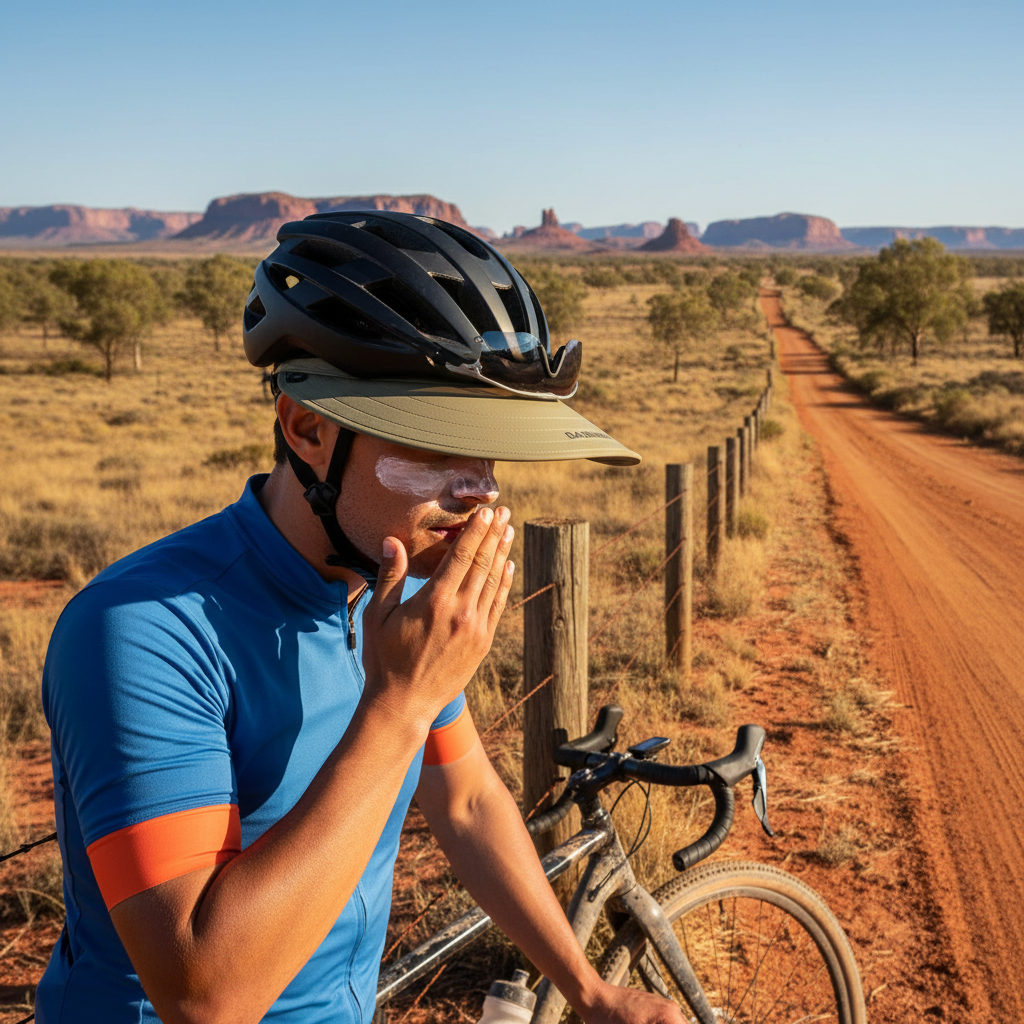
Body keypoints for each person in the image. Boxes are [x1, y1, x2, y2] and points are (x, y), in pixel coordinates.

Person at [38, 212, 684, 1023]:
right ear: (308, 429)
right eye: (437, 446)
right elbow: (204, 998)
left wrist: (588, 990)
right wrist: (400, 702)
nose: (480, 489)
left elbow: (465, 801)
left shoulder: (397, 588)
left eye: (491, 450)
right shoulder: (143, 629)